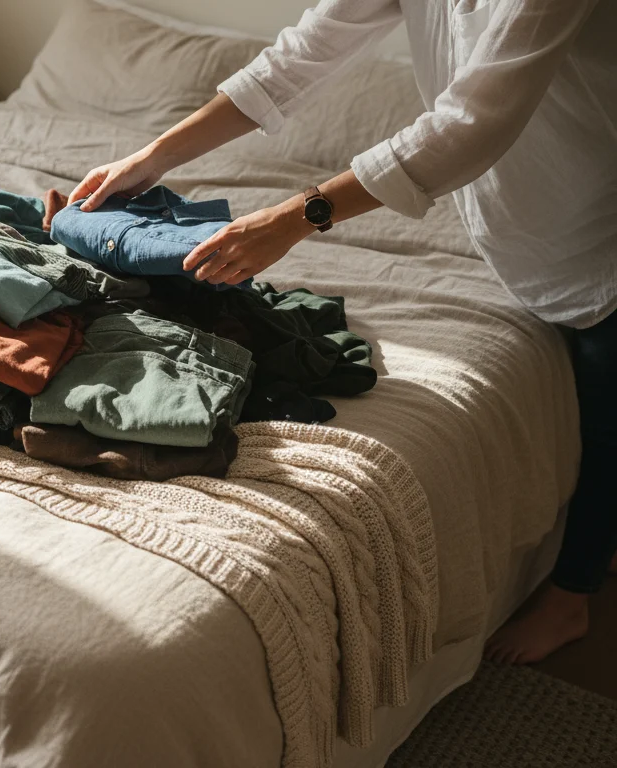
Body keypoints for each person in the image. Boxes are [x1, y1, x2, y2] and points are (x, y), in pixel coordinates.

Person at [67, 0, 614, 664]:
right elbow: (298, 58)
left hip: (602, 219)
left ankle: (571, 596)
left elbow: (469, 122)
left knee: (608, 415)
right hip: (531, 225)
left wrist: (296, 217)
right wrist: (152, 158)